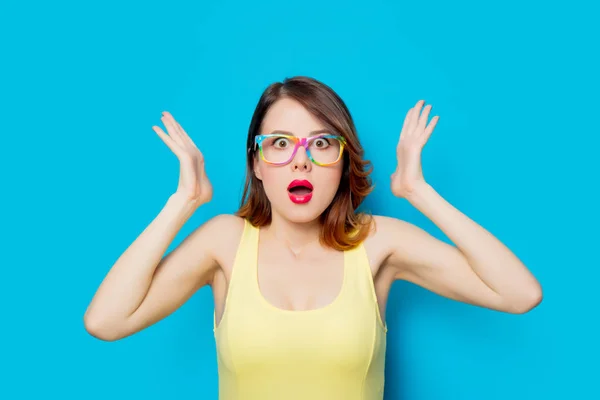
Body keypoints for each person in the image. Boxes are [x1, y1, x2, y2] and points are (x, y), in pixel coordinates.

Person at [83, 76, 543, 399]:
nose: (301, 161)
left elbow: (519, 293)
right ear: (257, 165)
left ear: (342, 163)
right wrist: (184, 200)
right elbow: (105, 321)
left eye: (322, 143)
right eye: (280, 144)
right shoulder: (223, 242)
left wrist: (417, 192)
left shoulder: (378, 242)